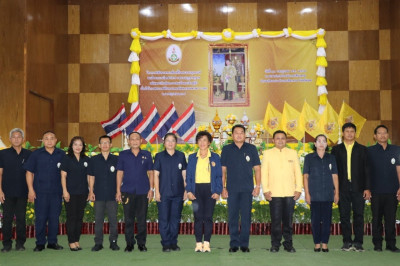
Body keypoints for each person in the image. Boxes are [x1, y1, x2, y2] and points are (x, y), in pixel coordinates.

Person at [221, 124, 261, 253]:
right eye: (236, 132)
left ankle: (244, 244)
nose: (239, 135)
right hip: (231, 189)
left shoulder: (252, 148)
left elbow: (257, 168)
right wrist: (223, 187)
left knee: (246, 217)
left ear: (245, 135)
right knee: (232, 217)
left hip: (247, 189)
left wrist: (258, 185)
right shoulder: (226, 149)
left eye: (241, 132)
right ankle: (234, 244)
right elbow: (223, 170)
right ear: (232, 135)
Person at [331, 122, 370, 252]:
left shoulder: (363, 149)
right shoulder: (336, 150)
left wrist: (367, 188)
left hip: (359, 187)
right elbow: (333, 172)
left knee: (359, 215)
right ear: (343, 133)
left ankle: (358, 242)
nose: (349, 133)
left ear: (355, 133)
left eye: (352, 131)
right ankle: (346, 241)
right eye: (347, 131)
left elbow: (367, 170)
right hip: (342, 187)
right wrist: (335, 189)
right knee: (344, 215)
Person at [261, 130, 302, 253]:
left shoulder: (293, 153)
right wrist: (266, 190)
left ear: (286, 140)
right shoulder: (267, 153)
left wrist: (298, 189)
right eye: (277, 138)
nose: (280, 140)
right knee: (276, 221)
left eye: (282, 138)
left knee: (288, 221)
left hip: (290, 193)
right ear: (273, 140)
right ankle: (275, 244)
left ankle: (288, 244)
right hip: (274, 193)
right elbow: (264, 173)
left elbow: (298, 173)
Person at [24, 131, 65, 251]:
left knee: (54, 218)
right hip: (40, 192)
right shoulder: (36, 154)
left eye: (52, 138)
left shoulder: (61, 154)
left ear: (56, 140)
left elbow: (66, 173)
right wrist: (31, 190)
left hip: (56, 192)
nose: (49, 140)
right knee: (41, 218)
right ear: (42, 141)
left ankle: (52, 242)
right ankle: (40, 243)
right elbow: (29, 172)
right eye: (46, 138)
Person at [116, 132, 154, 252]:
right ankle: (129, 243)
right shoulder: (123, 155)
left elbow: (151, 173)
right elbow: (119, 173)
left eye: (137, 139)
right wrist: (118, 190)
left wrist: (151, 189)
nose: (134, 141)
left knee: (142, 219)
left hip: (143, 191)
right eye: (132, 139)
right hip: (127, 191)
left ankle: (141, 243)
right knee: (128, 219)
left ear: (141, 140)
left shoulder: (147, 154)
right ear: (128, 141)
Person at [186, 131, 222, 252]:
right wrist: (189, 191)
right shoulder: (191, 157)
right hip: (196, 190)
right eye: (200, 140)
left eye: (205, 140)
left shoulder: (215, 157)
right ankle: (198, 243)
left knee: (207, 217)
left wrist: (218, 191)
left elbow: (218, 176)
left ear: (209, 143)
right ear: (197, 142)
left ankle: (206, 243)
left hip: (210, 190)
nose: (202, 143)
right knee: (197, 217)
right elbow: (189, 176)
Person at [303, 134, 339, 252]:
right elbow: (306, 176)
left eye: (324, 141)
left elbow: (335, 176)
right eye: (319, 141)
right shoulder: (309, 158)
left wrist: (337, 193)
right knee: (315, 221)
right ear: (315, 144)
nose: (321, 143)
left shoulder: (331, 158)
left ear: (327, 144)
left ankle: (325, 243)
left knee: (327, 220)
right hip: (314, 194)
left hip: (328, 194)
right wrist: (307, 193)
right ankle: (317, 243)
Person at [367, 125, 400, 252]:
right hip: (375, 191)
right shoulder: (369, 151)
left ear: (388, 135)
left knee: (391, 219)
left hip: (392, 191)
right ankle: (377, 244)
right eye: (379, 133)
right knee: (376, 219)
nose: (382, 135)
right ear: (375, 136)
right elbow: (367, 171)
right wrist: (367, 188)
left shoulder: (396, 150)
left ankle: (391, 244)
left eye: (385, 133)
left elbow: (399, 169)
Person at [154, 133, 187, 252]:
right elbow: (156, 175)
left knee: (175, 219)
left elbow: (184, 174)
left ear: (176, 143)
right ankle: (166, 243)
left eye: (173, 140)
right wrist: (156, 192)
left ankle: (173, 242)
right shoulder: (159, 156)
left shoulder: (181, 156)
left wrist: (186, 190)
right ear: (164, 143)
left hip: (178, 193)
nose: (170, 143)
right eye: (168, 140)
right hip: (164, 193)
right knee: (164, 219)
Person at [0, 128, 32, 252]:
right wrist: (0, 190)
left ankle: (20, 244)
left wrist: (31, 190)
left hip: (23, 192)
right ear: (10, 139)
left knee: (21, 218)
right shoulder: (3, 154)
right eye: (14, 137)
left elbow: (31, 174)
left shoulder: (29, 154)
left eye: (19, 137)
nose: (16, 139)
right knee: (7, 219)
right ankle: (6, 244)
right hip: (6, 193)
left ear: (23, 139)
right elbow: (0, 173)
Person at [88, 135, 120, 252]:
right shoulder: (94, 160)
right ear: (99, 146)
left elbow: (119, 177)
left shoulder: (116, 160)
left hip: (112, 195)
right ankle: (98, 243)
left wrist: (118, 192)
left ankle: (113, 242)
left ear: (111, 145)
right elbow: (91, 177)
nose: (105, 145)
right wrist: (91, 191)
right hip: (98, 194)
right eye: (103, 143)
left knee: (113, 219)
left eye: (107, 143)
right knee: (98, 220)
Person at [60, 136, 90, 251]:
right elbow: (63, 176)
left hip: (83, 192)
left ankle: (77, 240)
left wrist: (90, 190)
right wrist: (65, 191)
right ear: (71, 146)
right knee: (71, 217)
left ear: (83, 147)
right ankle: (71, 241)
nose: (78, 147)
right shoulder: (66, 158)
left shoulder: (86, 159)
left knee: (79, 217)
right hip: (70, 192)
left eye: (80, 145)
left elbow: (89, 177)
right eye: (75, 144)